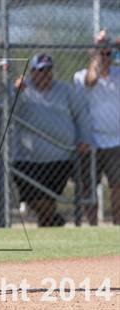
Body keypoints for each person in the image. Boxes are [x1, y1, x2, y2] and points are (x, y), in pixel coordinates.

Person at [11, 53, 92, 227]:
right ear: (32, 72)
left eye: (48, 70)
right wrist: (15, 92)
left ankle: (49, 222)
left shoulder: (65, 90)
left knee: (47, 197)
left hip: (59, 157)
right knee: (34, 199)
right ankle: (52, 219)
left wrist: (85, 139)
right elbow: (6, 113)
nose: (46, 75)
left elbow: (81, 116)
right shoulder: (22, 89)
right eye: (41, 71)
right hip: (28, 159)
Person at [74, 30, 120, 225]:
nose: (105, 57)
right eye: (101, 53)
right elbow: (91, 80)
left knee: (117, 185)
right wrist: (98, 51)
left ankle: (117, 224)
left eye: (108, 54)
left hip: (116, 140)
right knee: (89, 186)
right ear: (93, 55)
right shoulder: (80, 76)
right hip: (90, 142)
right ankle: (92, 225)